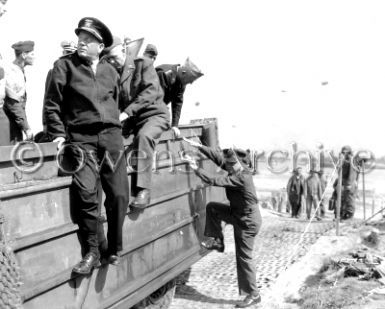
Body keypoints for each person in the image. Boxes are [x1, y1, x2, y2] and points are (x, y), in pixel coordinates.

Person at [44, 17, 129, 274]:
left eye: (89, 39)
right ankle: (92, 251)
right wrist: (58, 135)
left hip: (112, 138)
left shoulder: (110, 71)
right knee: (85, 193)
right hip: (81, 139)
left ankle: (113, 247)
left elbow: (121, 102)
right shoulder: (64, 67)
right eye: (81, 37)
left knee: (119, 194)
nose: (82, 42)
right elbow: (51, 105)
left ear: (100, 46)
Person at [183, 139, 262, 308]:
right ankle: (217, 241)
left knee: (244, 258)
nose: (229, 166)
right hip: (238, 214)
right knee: (213, 208)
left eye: (232, 164)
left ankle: (254, 294)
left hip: (247, 222)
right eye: (230, 164)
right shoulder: (238, 169)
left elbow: (214, 180)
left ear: (241, 164)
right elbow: (219, 159)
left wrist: (195, 167)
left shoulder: (242, 178)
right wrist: (199, 146)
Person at [103, 36, 170, 209]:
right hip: (134, 120)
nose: (112, 61)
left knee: (144, 137)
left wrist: (126, 113)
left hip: (155, 116)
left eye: (113, 56)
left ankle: (143, 190)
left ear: (124, 50)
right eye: (107, 58)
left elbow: (150, 92)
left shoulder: (143, 63)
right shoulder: (112, 73)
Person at [156, 58, 203, 137]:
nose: (191, 83)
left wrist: (175, 125)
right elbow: (156, 99)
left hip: (156, 108)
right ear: (183, 72)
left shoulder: (181, 84)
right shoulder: (164, 74)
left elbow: (177, 103)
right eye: (190, 79)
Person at [3, 41, 35, 144]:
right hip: (9, 125)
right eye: (32, 54)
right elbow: (14, 103)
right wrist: (26, 128)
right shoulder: (12, 73)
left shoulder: (18, 70)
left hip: (14, 123)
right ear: (24, 55)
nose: (34, 57)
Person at [332, 145, 359, 220]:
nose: (344, 153)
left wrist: (350, 184)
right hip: (343, 183)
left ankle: (349, 215)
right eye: (343, 152)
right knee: (341, 199)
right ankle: (341, 215)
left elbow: (352, 172)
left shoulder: (352, 160)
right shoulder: (342, 160)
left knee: (349, 200)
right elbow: (339, 171)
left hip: (350, 183)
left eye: (346, 152)